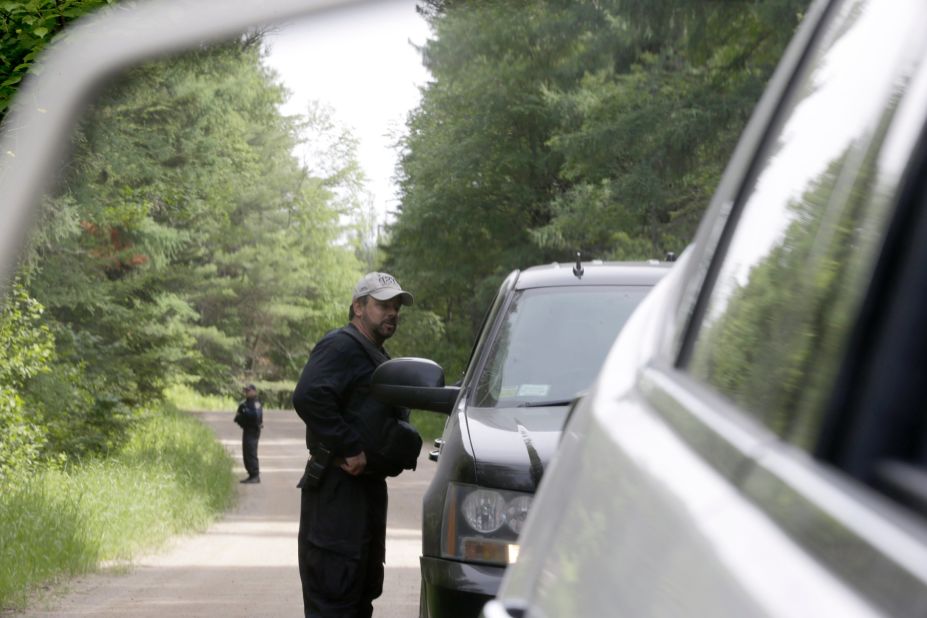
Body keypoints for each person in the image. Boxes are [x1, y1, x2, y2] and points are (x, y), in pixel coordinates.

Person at [292, 272, 421, 618]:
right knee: (334, 598)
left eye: (396, 306)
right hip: (337, 492)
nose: (392, 312)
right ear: (358, 307)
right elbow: (308, 396)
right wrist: (348, 446)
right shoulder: (341, 345)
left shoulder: (376, 355)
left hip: (365, 491)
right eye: (382, 305)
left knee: (360, 593)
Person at [234, 383, 263, 484]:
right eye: (245, 391)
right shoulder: (245, 403)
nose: (246, 392)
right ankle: (251, 475)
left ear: (254, 391)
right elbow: (237, 416)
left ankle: (255, 475)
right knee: (246, 453)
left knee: (251, 453)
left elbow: (256, 415)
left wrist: (245, 411)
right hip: (246, 430)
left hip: (253, 430)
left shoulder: (256, 403)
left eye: (248, 390)